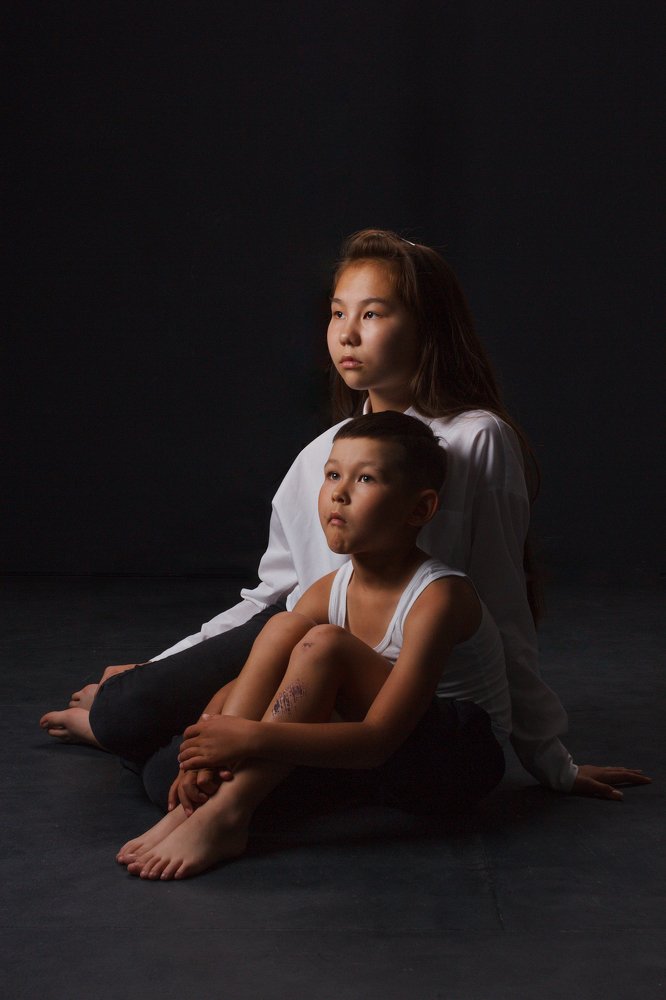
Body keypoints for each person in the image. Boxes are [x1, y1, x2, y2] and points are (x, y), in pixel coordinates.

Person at [40, 228, 648, 802]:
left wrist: (550, 759)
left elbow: (502, 603)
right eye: (337, 313)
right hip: (301, 634)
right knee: (124, 707)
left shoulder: (475, 439)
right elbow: (271, 598)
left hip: (374, 674)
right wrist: (165, 668)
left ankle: (150, 736)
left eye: (373, 314)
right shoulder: (320, 456)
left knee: (161, 773)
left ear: (427, 327)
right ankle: (127, 719)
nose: (347, 335)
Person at [116, 412, 509, 880]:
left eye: (365, 478)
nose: (339, 493)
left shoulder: (439, 597)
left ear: (420, 509)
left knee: (323, 644)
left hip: (456, 758)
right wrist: (207, 745)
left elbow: (377, 741)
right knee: (281, 630)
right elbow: (251, 681)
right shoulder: (327, 591)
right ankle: (209, 799)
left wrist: (250, 737)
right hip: (375, 752)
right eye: (333, 475)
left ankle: (226, 814)